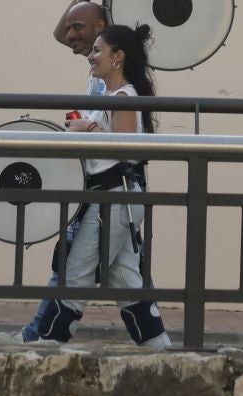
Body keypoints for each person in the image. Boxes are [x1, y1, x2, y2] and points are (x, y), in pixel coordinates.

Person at [43, 23, 170, 348]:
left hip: (115, 196)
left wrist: (86, 130)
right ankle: (161, 351)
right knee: (127, 279)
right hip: (116, 198)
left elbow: (125, 150)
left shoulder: (123, 97)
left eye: (98, 50)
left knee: (77, 273)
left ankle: (47, 342)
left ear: (118, 57)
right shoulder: (117, 97)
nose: (91, 56)